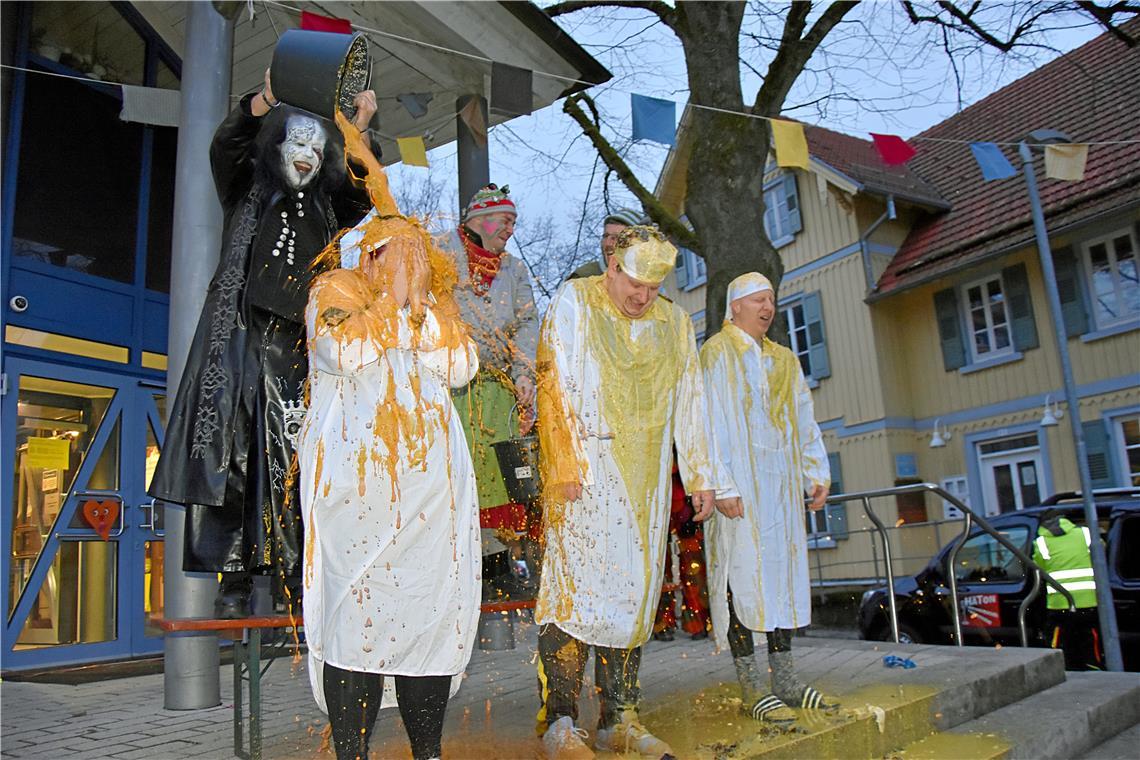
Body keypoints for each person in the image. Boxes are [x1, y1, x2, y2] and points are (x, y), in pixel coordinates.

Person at [148, 70, 378, 618]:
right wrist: (265, 98)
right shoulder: (245, 186)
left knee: (293, 453)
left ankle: (291, 573)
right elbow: (227, 142)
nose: (305, 154)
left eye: (316, 147)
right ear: (276, 147)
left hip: (302, 341)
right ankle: (231, 571)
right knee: (231, 447)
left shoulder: (331, 208)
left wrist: (359, 126)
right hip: (241, 333)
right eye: (296, 141)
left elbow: (366, 186)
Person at [299, 143, 482, 758]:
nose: (411, 268)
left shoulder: (436, 309)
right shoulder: (336, 289)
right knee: (357, 617)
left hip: (432, 492)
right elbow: (341, 353)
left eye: (417, 258)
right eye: (399, 257)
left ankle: (426, 751)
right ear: (372, 256)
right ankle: (352, 750)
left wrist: (421, 309)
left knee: (428, 617)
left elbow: (461, 367)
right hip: (358, 489)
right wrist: (391, 307)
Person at [534, 225, 723, 758]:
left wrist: (701, 473)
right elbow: (555, 386)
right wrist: (563, 463)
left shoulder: (676, 324)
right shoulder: (575, 301)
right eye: (635, 282)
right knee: (572, 596)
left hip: (645, 482)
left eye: (655, 287)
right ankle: (561, 723)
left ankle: (620, 717)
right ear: (612, 266)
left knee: (632, 597)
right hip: (584, 476)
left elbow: (691, 399)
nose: (642, 296)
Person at [700, 272, 836, 724]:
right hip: (739, 492)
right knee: (742, 581)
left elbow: (803, 417)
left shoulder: (784, 359)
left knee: (781, 581)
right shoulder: (716, 353)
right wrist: (722, 486)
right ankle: (752, 685)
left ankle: (786, 679)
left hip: (778, 492)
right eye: (758, 300)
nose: (767, 308)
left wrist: (815, 474)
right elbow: (708, 424)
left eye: (771, 300)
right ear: (734, 306)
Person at [440, 184, 540, 589]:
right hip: (451, 385)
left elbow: (528, 322)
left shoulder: (515, 270)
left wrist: (524, 373)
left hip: (498, 387)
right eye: (507, 221)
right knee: (455, 472)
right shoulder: (440, 252)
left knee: (502, 476)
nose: (511, 231)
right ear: (480, 219)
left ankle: (498, 569)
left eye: (515, 223)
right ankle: (452, 567)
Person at [1032, 509, 1103, 670]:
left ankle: (1063, 670)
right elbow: (1101, 553)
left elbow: (1039, 568)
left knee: (1060, 644)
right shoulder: (1085, 534)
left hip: (1059, 604)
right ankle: (1095, 670)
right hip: (1089, 601)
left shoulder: (1041, 543)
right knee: (1090, 642)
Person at [568, 208, 642, 280]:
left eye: (616, 237)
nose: (608, 243)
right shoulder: (583, 278)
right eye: (605, 236)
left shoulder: (649, 280)